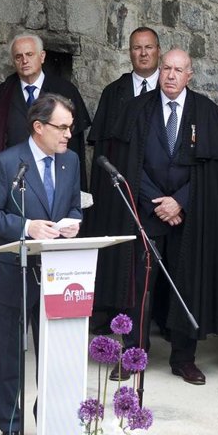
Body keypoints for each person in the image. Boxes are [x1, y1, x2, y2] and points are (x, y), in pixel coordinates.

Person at [117, 49, 218, 385]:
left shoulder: (207, 112)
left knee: (187, 284)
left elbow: (210, 174)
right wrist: (157, 202)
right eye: (166, 68)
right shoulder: (138, 109)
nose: (170, 75)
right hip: (147, 211)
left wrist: (179, 202)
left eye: (178, 70)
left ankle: (183, 359)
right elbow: (130, 165)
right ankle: (133, 355)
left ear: (189, 75)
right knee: (140, 285)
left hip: (189, 216)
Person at [0, 94, 82, 435]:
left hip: (55, 274)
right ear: (39, 127)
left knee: (52, 355)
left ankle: (46, 417)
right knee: (10, 357)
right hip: (12, 273)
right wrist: (26, 226)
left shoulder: (71, 161)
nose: (68, 135)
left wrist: (73, 223)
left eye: (70, 127)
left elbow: (73, 206)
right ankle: (11, 427)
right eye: (62, 127)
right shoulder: (7, 164)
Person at [84, 27, 160, 319]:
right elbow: (103, 146)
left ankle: (156, 319)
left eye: (148, 47)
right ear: (129, 53)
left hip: (159, 190)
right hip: (122, 188)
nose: (143, 53)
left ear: (158, 51)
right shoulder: (114, 92)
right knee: (120, 253)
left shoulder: (168, 89)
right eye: (137, 48)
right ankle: (113, 311)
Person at [0, 34, 91, 190]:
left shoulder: (65, 92)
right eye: (18, 57)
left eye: (29, 54)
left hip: (52, 179)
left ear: (42, 56)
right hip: (11, 179)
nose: (24, 61)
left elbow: (74, 147)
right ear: (13, 61)